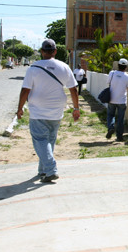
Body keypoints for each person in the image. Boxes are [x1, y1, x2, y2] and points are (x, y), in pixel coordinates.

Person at [16, 39, 80, 183]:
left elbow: (25, 90)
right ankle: (43, 171)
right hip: (56, 110)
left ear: (42, 52)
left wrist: (19, 108)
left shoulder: (33, 68)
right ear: (55, 51)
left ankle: (51, 170)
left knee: (40, 140)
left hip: (38, 111)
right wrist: (76, 108)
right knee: (49, 141)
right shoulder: (64, 66)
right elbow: (73, 90)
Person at [105, 58, 128, 142]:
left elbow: (108, 83)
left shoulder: (112, 73)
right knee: (120, 119)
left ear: (118, 65)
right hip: (122, 101)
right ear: (126, 67)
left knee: (110, 115)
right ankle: (119, 137)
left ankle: (111, 127)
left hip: (111, 99)